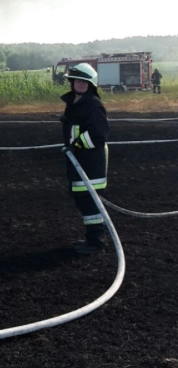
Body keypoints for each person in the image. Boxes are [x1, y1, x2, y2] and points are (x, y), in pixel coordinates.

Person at [60, 63, 109, 255]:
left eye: (85, 81)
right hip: (79, 162)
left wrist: (77, 144)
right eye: (78, 80)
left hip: (90, 164)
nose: (81, 84)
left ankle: (97, 243)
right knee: (84, 201)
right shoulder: (75, 104)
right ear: (72, 82)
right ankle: (93, 239)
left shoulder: (93, 105)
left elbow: (98, 135)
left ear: (91, 84)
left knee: (90, 203)